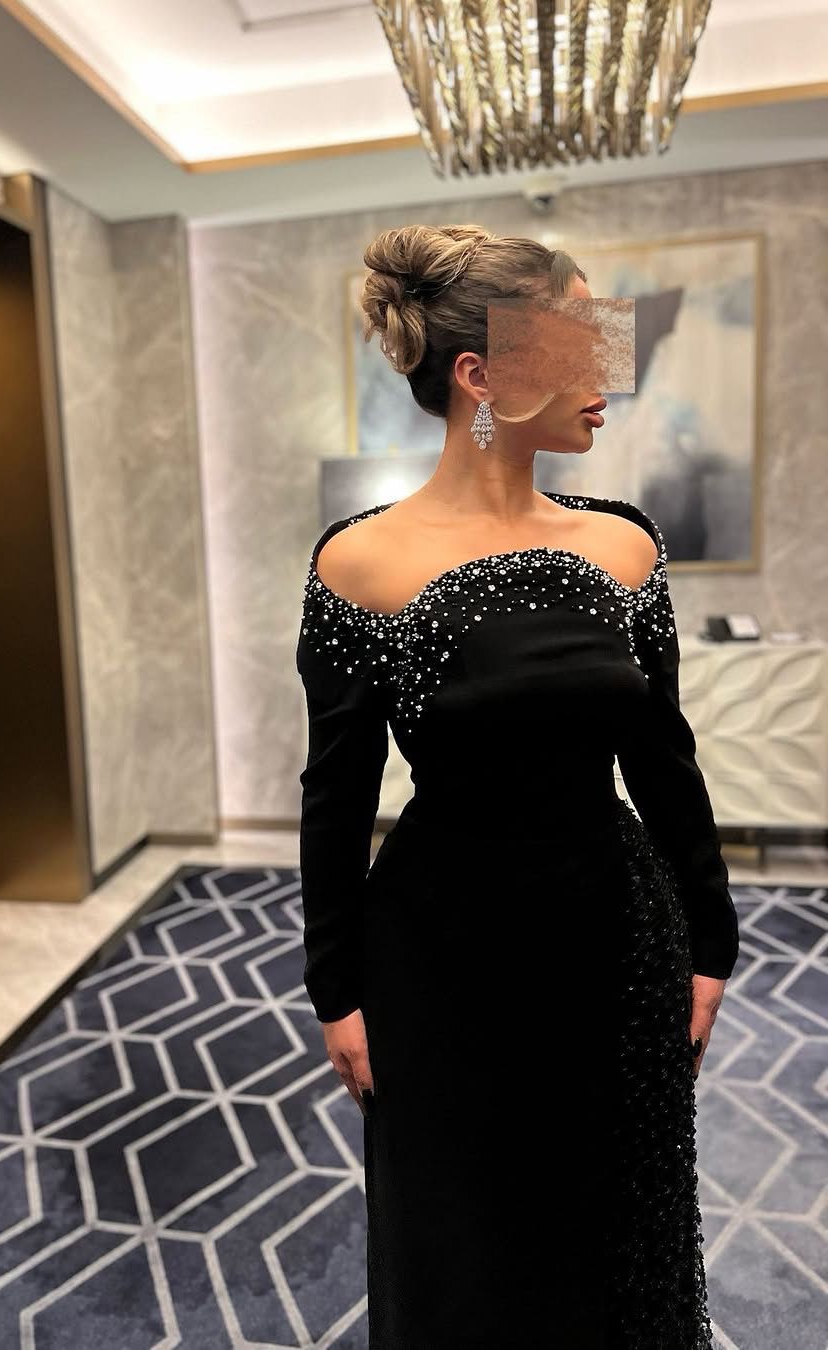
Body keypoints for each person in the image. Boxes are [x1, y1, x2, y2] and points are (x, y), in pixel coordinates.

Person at [294, 223, 739, 1348]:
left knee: (612, 1222)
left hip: (615, 938)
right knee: (461, 1239)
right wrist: (334, 990)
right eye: (579, 341)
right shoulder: (358, 561)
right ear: (480, 376)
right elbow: (334, 800)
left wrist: (710, 939)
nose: (605, 376)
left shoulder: (625, 548)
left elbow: (666, 761)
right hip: (438, 957)